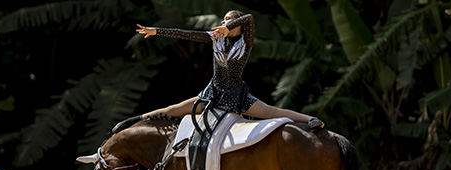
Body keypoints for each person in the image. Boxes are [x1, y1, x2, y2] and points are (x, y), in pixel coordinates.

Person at [113, 10, 324, 133]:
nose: (224, 23)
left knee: (270, 112)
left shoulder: (246, 41)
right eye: (223, 20)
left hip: (236, 95)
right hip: (213, 92)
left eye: (230, 20)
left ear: (239, 26)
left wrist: (230, 26)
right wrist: (157, 31)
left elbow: (249, 18)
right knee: (173, 109)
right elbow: (185, 33)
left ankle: (310, 120)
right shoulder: (215, 38)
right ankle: (131, 122)